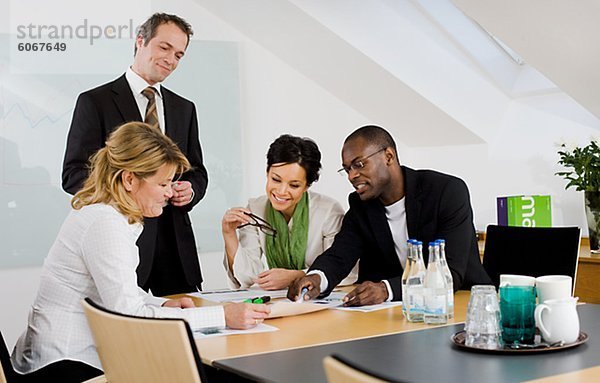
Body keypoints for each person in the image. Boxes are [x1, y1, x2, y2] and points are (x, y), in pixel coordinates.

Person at [11, 122, 270, 382]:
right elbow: (128, 314)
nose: (170, 193)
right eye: (163, 184)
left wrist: (162, 304)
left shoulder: (107, 214)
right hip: (65, 364)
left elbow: (117, 291)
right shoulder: (106, 224)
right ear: (129, 179)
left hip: (64, 355)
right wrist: (222, 316)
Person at [62, 13, 206, 296]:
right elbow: (73, 174)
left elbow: (197, 171)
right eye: (164, 48)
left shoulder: (184, 108)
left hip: (175, 246)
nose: (171, 60)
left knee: (188, 330)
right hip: (120, 239)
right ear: (140, 41)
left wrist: (191, 190)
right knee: (126, 329)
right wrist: (131, 193)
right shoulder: (95, 101)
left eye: (179, 54)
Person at [288, 125, 491, 305]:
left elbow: (449, 274)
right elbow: (339, 256)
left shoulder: (446, 191)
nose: (351, 176)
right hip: (398, 314)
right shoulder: (361, 206)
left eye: (359, 164)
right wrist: (316, 278)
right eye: (347, 169)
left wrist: (387, 290)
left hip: (462, 305)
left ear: (388, 156)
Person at [222, 134, 357, 290]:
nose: (281, 191)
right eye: (276, 180)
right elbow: (247, 278)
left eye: (294, 185)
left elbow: (346, 273)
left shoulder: (328, 211)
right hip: (278, 301)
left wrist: (296, 276)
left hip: (321, 300)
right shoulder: (255, 209)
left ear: (307, 186)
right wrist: (229, 234)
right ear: (267, 172)